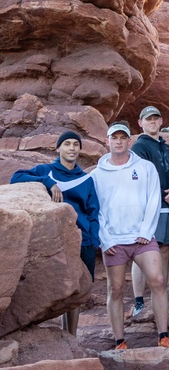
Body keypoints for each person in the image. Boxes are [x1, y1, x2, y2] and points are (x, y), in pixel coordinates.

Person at [91, 123, 169, 349]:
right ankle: (120, 341)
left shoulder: (146, 168)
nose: (118, 141)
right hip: (114, 241)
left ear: (130, 140)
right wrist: (106, 239)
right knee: (116, 289)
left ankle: (163, 336)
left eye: (123, 137)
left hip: (142, 238)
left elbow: (153, 199)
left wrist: (145, 231)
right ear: (107, 140)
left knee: (158, 281)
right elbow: (96, 209)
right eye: (114, 137)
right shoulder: (97, 175)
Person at [11, 130, 100, 335]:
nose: (71, 148)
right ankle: (61, 334)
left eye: (75, 144)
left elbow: (94, 211)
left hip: (84, 240)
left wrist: (93, 240)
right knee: (61, 288)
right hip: (56, 239)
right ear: (58, 148)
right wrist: (48, 182)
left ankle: (72, 337)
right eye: (67, 144)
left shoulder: (86, 180)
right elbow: (16, 177)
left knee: (77, 291)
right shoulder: (46, 170)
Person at [128, 106, 169, 319]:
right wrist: (160, 194)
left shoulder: (167, 148)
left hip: (166, 206)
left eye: (156, 118)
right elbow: (141, 178)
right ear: (140, 122)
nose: (152, 122)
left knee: (165, 249)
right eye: (148, 119)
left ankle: (161, 295)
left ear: (160, 122)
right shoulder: (139, 147)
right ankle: (139, 301)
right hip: (148, 206)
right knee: (142, 252)